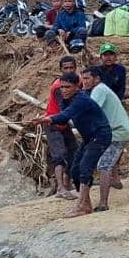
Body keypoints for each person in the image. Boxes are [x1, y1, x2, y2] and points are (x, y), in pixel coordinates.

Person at [26, 72, 111, 217]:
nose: (64, 90)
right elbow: (63, 117)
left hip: (100, 136)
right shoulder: (68, 99)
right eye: (62, 87)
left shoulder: (81, 99)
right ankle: (85, 204)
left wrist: (47, 119)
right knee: (75, 170)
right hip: (89, 138)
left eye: (67, 87)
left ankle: (82, 205)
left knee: (85, 167)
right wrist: (48, 119)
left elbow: (65, 115)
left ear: (77, 87)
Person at [82, 67, 129, 212]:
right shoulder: (102, 89)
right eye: (83, 78)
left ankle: (103, 203)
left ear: (96, 79)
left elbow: (90, 110)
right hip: (120, 130)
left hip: (118, 132)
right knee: (109, 160)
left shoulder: (99, 90)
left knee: (104, 165)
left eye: (87, 78)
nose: (84, 82)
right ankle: (116, 180)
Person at [43, 56, 80, 198]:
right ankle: (60, 187)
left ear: (75, 68)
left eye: (71, 68)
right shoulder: (59, 87)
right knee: (59, 155)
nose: (69, 70)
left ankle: (68, 183)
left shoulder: (77, 82)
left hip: (63, 122)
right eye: (66, 68)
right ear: (61, 69)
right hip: (53, 122)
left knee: (73, 151)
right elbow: (64, 108)